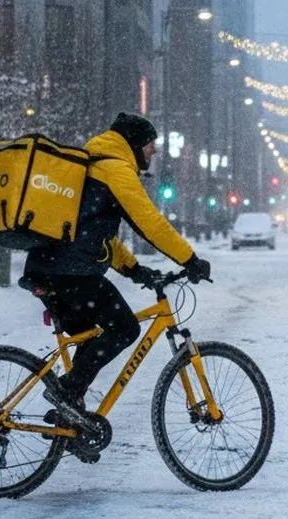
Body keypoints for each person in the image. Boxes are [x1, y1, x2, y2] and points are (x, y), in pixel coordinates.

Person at [21, 112, 211, 430]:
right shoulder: (116, 169)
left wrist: (134, 269)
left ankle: (73, 423)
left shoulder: (93, 165)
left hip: (50, 268)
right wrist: (190, 260)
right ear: (134, 144)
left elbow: (98, 235)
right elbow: (150, 222)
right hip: (72, 273)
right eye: (150, 144)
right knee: (125, 329)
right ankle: (67, 394)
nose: (153, 152)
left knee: (91, 340)